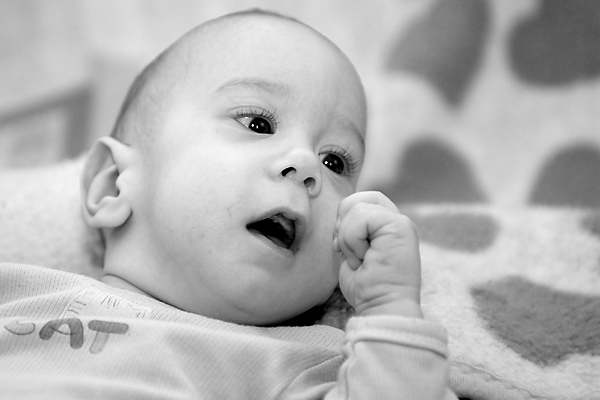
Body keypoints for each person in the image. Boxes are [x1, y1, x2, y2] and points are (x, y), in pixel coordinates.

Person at [0, 9, 457, 399]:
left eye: (335, 161)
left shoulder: (313, 365)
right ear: (114, 185)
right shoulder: (21, 292)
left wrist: (391, 308)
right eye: (258, 124)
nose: (306, 165)